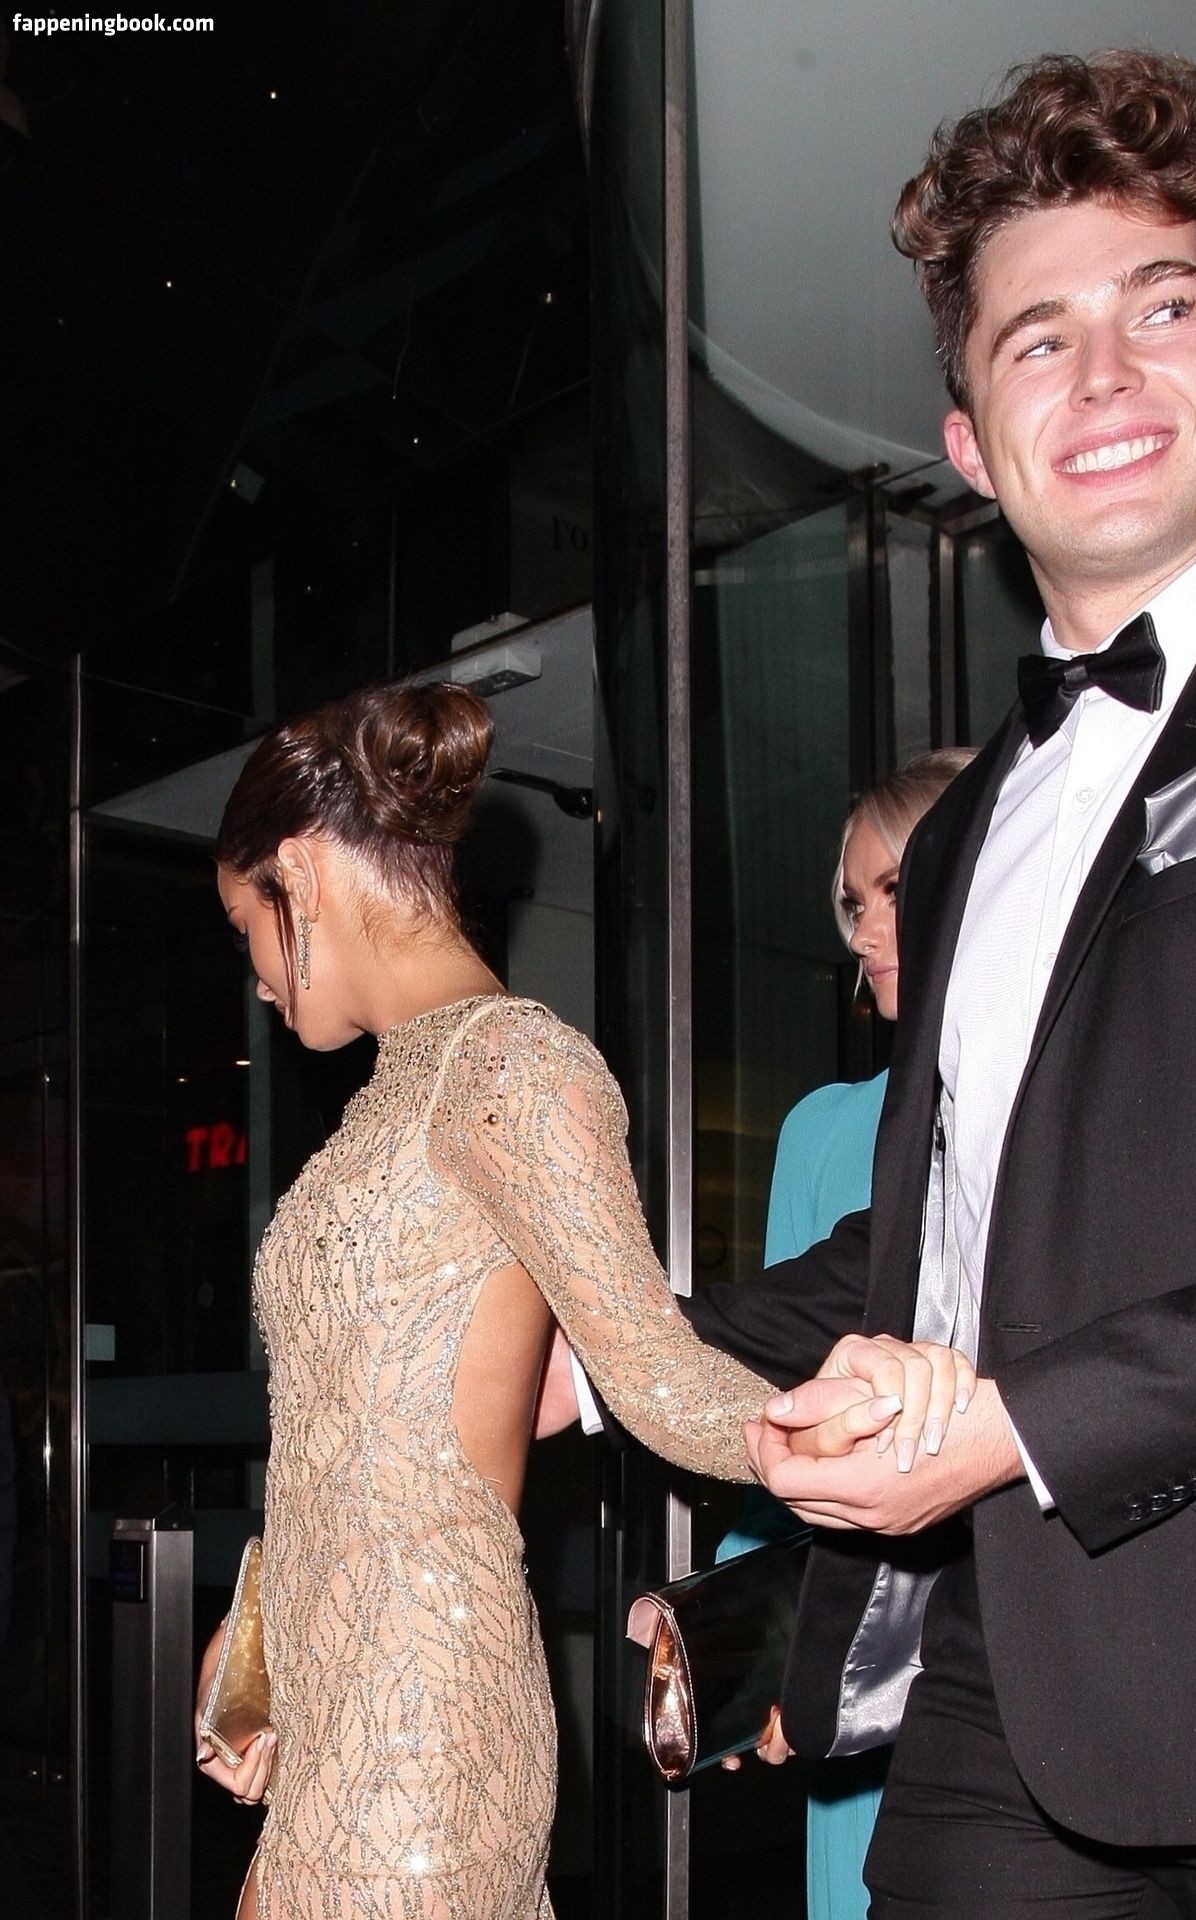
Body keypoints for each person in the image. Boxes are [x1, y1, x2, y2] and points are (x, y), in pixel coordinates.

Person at [685, 48, 1196, 1918]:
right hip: (999, 1693)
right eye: (1038, 339)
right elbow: (937, 1237)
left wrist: (1012, 1426)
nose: (1101, 378)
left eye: (1158, 308)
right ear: (966, 442)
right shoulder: (959, 836)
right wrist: (609, 1356)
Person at [193, 679, 786, 1920]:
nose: (254, 977)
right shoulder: (395, 1091)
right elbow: (344, 1429)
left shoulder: (511, 1066)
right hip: (344, 1700)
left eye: (243, 924)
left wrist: (911, 1441)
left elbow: (661, 1379)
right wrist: (264, 1632)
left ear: (298, 874)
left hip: (425, 1723)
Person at [718, 750, 973, 1920]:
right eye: (851, 901)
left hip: (1004, 1625)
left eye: (891, 893)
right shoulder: (821, 1129)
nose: (862, 932)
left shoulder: (1049, 1105)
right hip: (851, 1612)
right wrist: (757, 1628)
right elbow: (765, 1391)